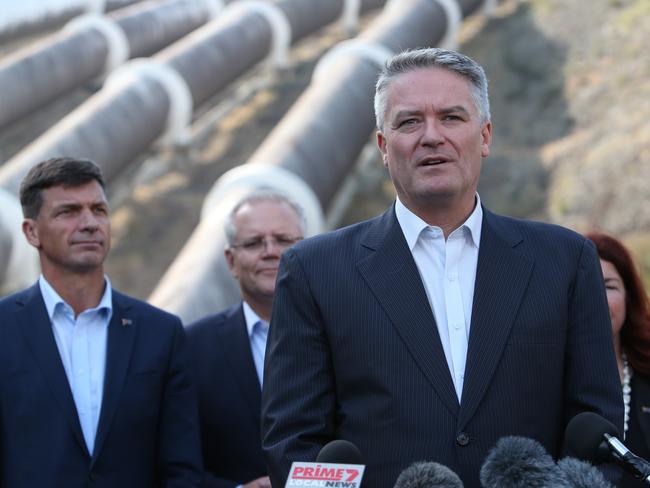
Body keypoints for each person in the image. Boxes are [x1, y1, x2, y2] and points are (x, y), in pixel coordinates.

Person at [260, 48, 623, 488]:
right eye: (409, 122)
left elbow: (598, 433)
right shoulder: (316, 270)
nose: (431, 136)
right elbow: (294, 443)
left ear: (485, 136)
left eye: (451, 117)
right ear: (382, 146)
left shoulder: (564, 260)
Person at [0, 157, 203, 487]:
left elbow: (181, 467)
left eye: (99, 210)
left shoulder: (161, 333)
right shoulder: (4, 329)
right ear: (31, 231)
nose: (89, 223)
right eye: (68, 211)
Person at [186, 190, 305, 488]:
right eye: (253, 243)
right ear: (231, 260)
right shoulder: (191, 348)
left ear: (308, 249)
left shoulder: (350, 332)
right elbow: (176, 463)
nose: (270, 251)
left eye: (283, 240)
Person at [586, 232, 650, 488]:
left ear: (629, 298)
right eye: (587, 286)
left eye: (609, 286)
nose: (597, 297)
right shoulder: (543, 383)